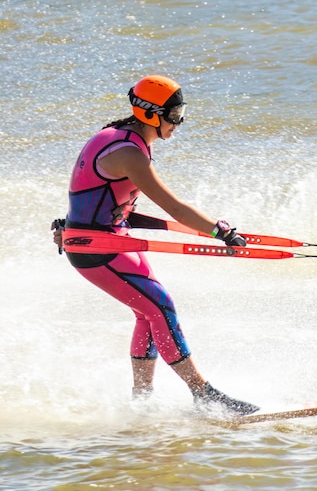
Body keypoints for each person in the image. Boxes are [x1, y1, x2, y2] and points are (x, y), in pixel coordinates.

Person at [52, 75, 259, 416]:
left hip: (111, 237)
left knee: (149, 313)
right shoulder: (129, 154)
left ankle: (142, 402)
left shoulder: (121, 136)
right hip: (96, 247)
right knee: (160, 308)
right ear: (150, 114)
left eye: (181, 113)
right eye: (174, 116)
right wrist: (220, 231)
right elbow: (175, 208)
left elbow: (102, 199)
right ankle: (202, 393)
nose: (179, 123)